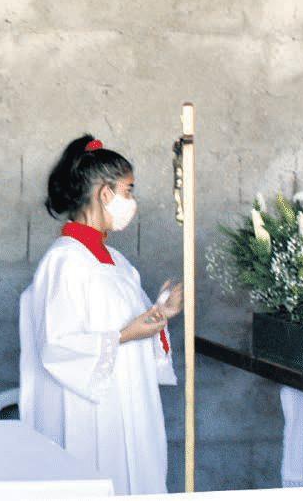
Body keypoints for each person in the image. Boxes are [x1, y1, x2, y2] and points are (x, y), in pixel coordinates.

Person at [19, 135, 183, 495]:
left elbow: (137, 328)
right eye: (128, 191)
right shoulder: (64, 261)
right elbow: (58, 347)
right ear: (104, 194)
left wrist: (161, 314)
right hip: (92, 414)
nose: (132, 201)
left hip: (131, 404)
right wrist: (124, 335)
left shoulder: (119, 263)